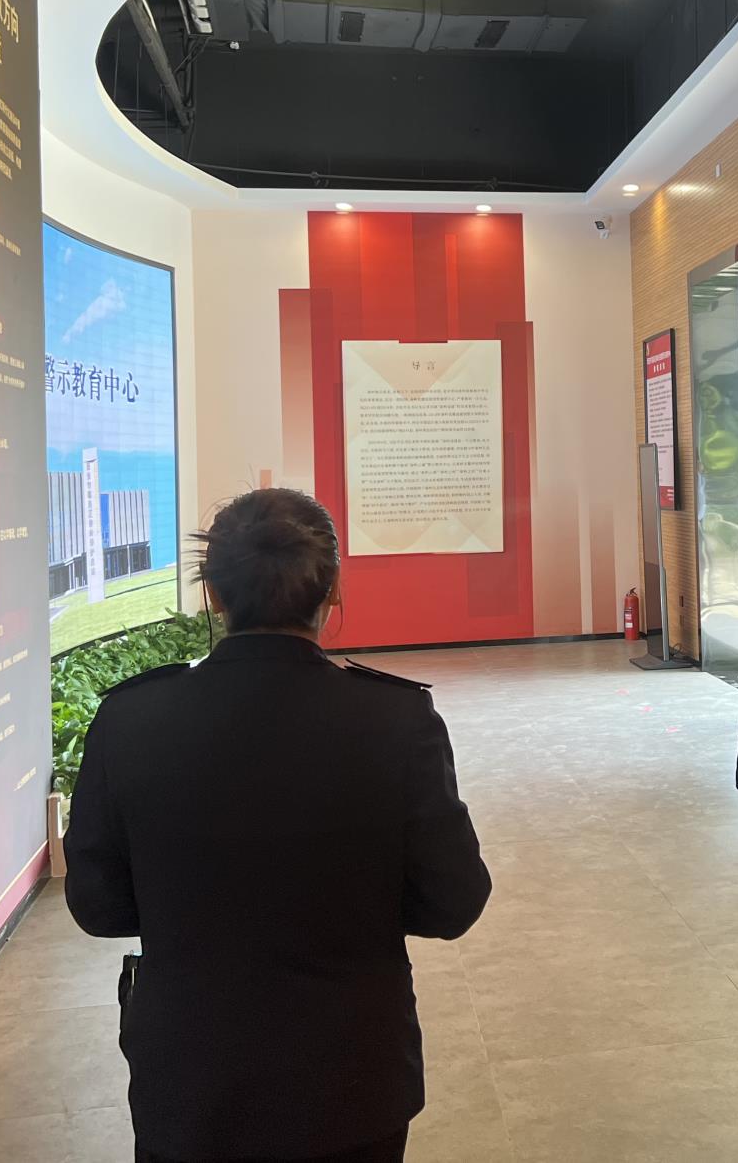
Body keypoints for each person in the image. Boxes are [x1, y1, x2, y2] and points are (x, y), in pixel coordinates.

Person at [65, 488, 492, 1163]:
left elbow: (98, 906)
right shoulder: (396, 721)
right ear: (333, 590)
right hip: (354, 1080)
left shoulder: (130, 720)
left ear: (212, 594)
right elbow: (454, 902)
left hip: (189, 1079)